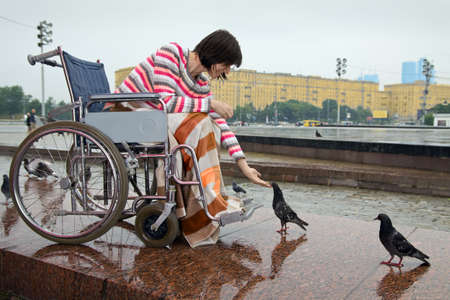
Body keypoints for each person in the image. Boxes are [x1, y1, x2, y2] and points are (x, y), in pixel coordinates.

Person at [110, 29, 270, 247]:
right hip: (124, 114)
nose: (227, 71)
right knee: (200, 124)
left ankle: (204, 204)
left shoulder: (200, 83)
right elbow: (165, 102)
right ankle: (205, 205)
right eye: (227, 64)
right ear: (215, 54)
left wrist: (244, 166)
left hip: (151, 121)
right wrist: (210, 105)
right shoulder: (171, 54)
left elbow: (221, 124)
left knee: (209, 126)